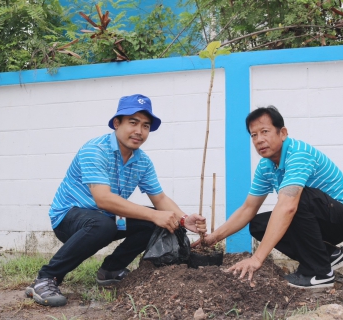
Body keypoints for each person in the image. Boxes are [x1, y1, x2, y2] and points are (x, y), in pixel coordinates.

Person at [25, 94, 207, 307]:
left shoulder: (143, 162)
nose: (139, 131)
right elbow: (103, 200)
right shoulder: (95, 150)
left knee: (153, 223)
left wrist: (184, 219)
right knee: (106, 224)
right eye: (133, 122)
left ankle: (111, 270)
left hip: (108, 219)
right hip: (69, 217)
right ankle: (46, 278)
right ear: (116, 123)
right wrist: (155, 214)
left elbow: (160, 198)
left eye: (145, 126)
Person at [200, 106, 343, 289]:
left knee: (295, 199)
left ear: (283, 133)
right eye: (253, 135)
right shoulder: (266, 166)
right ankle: (328, 255)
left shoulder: (298, 154)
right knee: (258, 224)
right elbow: (248, 209)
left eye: (265, 131)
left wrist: (257, 259)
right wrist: (213, 238)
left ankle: (319, 273)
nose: (259, 140)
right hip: (322, 219)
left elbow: (288, 206)